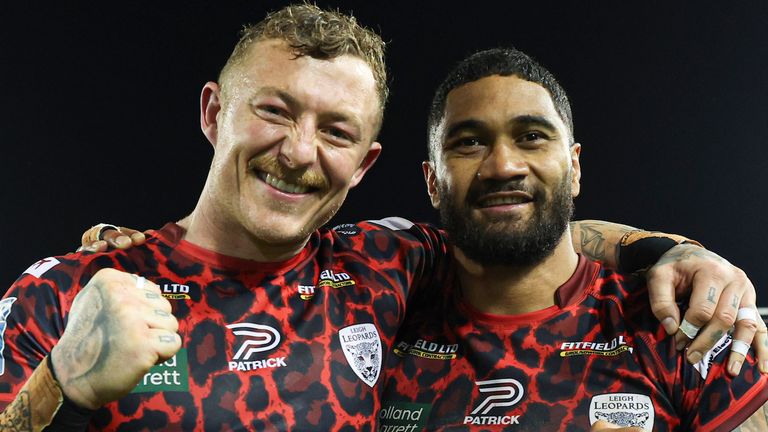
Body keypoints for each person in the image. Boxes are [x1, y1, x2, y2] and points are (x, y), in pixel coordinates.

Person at [0, 4, 760, 431]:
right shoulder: (63, 294)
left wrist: (675, 253)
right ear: (213, 112)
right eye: (274, 110)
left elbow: (522, 228)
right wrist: (61, 382)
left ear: (365, 163)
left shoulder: (381, 268)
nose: (299, 152)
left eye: (336, 131)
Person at [379, 47, 768, 431]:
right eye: (468, 142)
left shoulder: (681, 323)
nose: (503, 166)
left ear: (575, 167)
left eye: (531, 136)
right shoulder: (381, 317)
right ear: (432, 181)